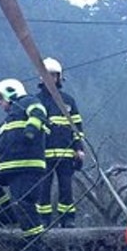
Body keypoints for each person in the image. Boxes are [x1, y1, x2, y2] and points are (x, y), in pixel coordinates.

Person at [0, 78, 49, 241]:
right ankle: (6, 216)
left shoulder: (28, 101)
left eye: (1, 99)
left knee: (23, 204)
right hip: (8, 166)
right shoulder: (8, 120)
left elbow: (39, 112)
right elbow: (1, 148)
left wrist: (30, 130)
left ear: (10, 92)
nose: (0, 104)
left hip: (27, 166)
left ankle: (35, 245)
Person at [36, 57, 85, 228]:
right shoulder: (36, 101)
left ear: (59, 78)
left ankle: (68, 219)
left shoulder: (69, 101)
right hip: (43, 154)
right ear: (41, 77)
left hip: (66, 153)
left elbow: (77, 128)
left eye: (53, 75)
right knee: (43, 189)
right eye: (47, 75)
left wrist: (79, 148)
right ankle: (44, 220)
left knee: (66, 188)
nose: (50, 78)